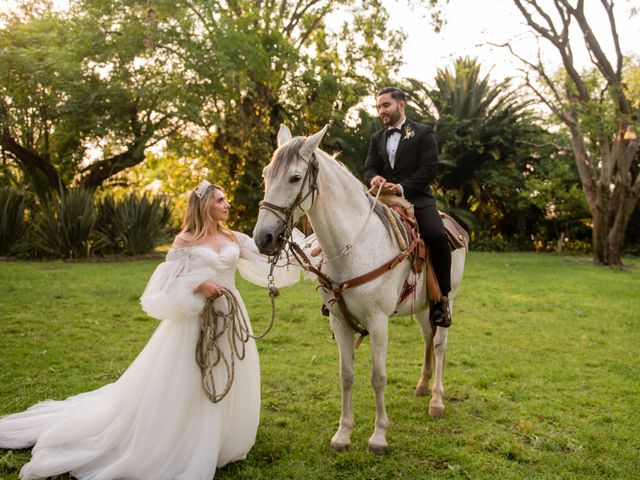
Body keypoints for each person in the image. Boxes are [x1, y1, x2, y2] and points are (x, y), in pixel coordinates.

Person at [0, 180, 302, 480]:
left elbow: (269, 258)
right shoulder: (185, 241)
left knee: (227, 371)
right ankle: (185, 436)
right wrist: (199, 283)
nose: (227, 205)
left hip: (230, 315)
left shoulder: (234, 237)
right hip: (195, 321)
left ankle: (221, 436)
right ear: (205, 206)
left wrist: (309, 251)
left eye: (225, 200)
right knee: (192, 377)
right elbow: (167, 279)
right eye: (220, 200)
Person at [363, 87, 452, 327]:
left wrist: (401, 187)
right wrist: (374, 179)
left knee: (436, 235)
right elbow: (369, 167)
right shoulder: (377, 137)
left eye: (386, 105)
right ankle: (339, 294)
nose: (381, 110)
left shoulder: (423, 133)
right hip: (382, 200)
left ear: (401, 105)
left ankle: (441, 301)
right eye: (379, 106)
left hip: (417, 198)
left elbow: (429, 170)